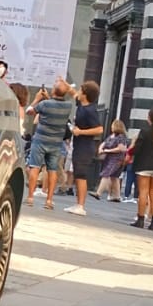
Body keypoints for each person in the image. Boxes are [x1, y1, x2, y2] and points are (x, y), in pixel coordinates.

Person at [26, 77, 75, 209]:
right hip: (56, 143)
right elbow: (68, 98)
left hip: (40, 140)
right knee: (52, 170)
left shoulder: (44, 104)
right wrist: (67, 87)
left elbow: (29, 111)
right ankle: (49, 200)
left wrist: (37, 99)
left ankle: (30, 197)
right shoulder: (68, 106)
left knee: (34, 167)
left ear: (53, 91)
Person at [66, 80, 104, 214]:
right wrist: (64, 83)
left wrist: (80, 131)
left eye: (81, 90)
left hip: (85, 147)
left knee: (81, 175)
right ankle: (78, 203)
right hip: (79, 144)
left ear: (86, 94)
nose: (79, 92)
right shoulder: (81, 104)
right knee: (77, 174)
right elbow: (73, 93)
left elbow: (99, 129)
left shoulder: (90, 110)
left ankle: (81, 205)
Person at [129, 107, 153, 230]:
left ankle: (141, 218)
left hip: (144, 165)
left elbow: (138, 148)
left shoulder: (145, 130)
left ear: (149, 117)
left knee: (143, 192)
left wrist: (130, 153)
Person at [95, 121, 129, 201]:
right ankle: (117, 196)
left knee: (106, 174)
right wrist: (100, 149)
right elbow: (103, 143)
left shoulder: (121, 137)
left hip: (116, 159)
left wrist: (107, 151)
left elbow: (120, 148)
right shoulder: (111, 136)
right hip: (110, 158)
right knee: (114, 177)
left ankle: (98, 193)